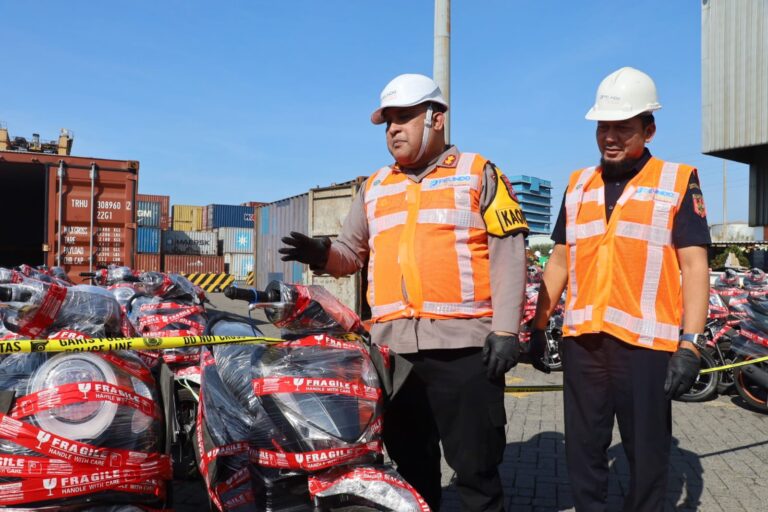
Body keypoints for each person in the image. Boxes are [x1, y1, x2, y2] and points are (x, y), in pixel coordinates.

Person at [279, 73, 529, 511]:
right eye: (388, 121)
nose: (393, 128)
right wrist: (322, 253)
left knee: (476, 473)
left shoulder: (479, 173)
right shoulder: (375, 187)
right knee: (411, 474)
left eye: (404, 117)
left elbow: (509, 253)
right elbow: (349, 254)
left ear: (436, 118)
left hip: (466, 349)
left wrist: (507, 331)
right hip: (396, 357)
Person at [530, 67, 711, 512]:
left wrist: (690, 345)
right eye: (603, 127)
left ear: (649, 129)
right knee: (584, 454)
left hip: (646, 348)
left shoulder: (676, 179)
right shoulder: (578, 185)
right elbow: (559, 260)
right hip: (584, 345)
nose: (610, 137)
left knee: (647, 457)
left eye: (623, 128)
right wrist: (537, 324)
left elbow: (694, 264)